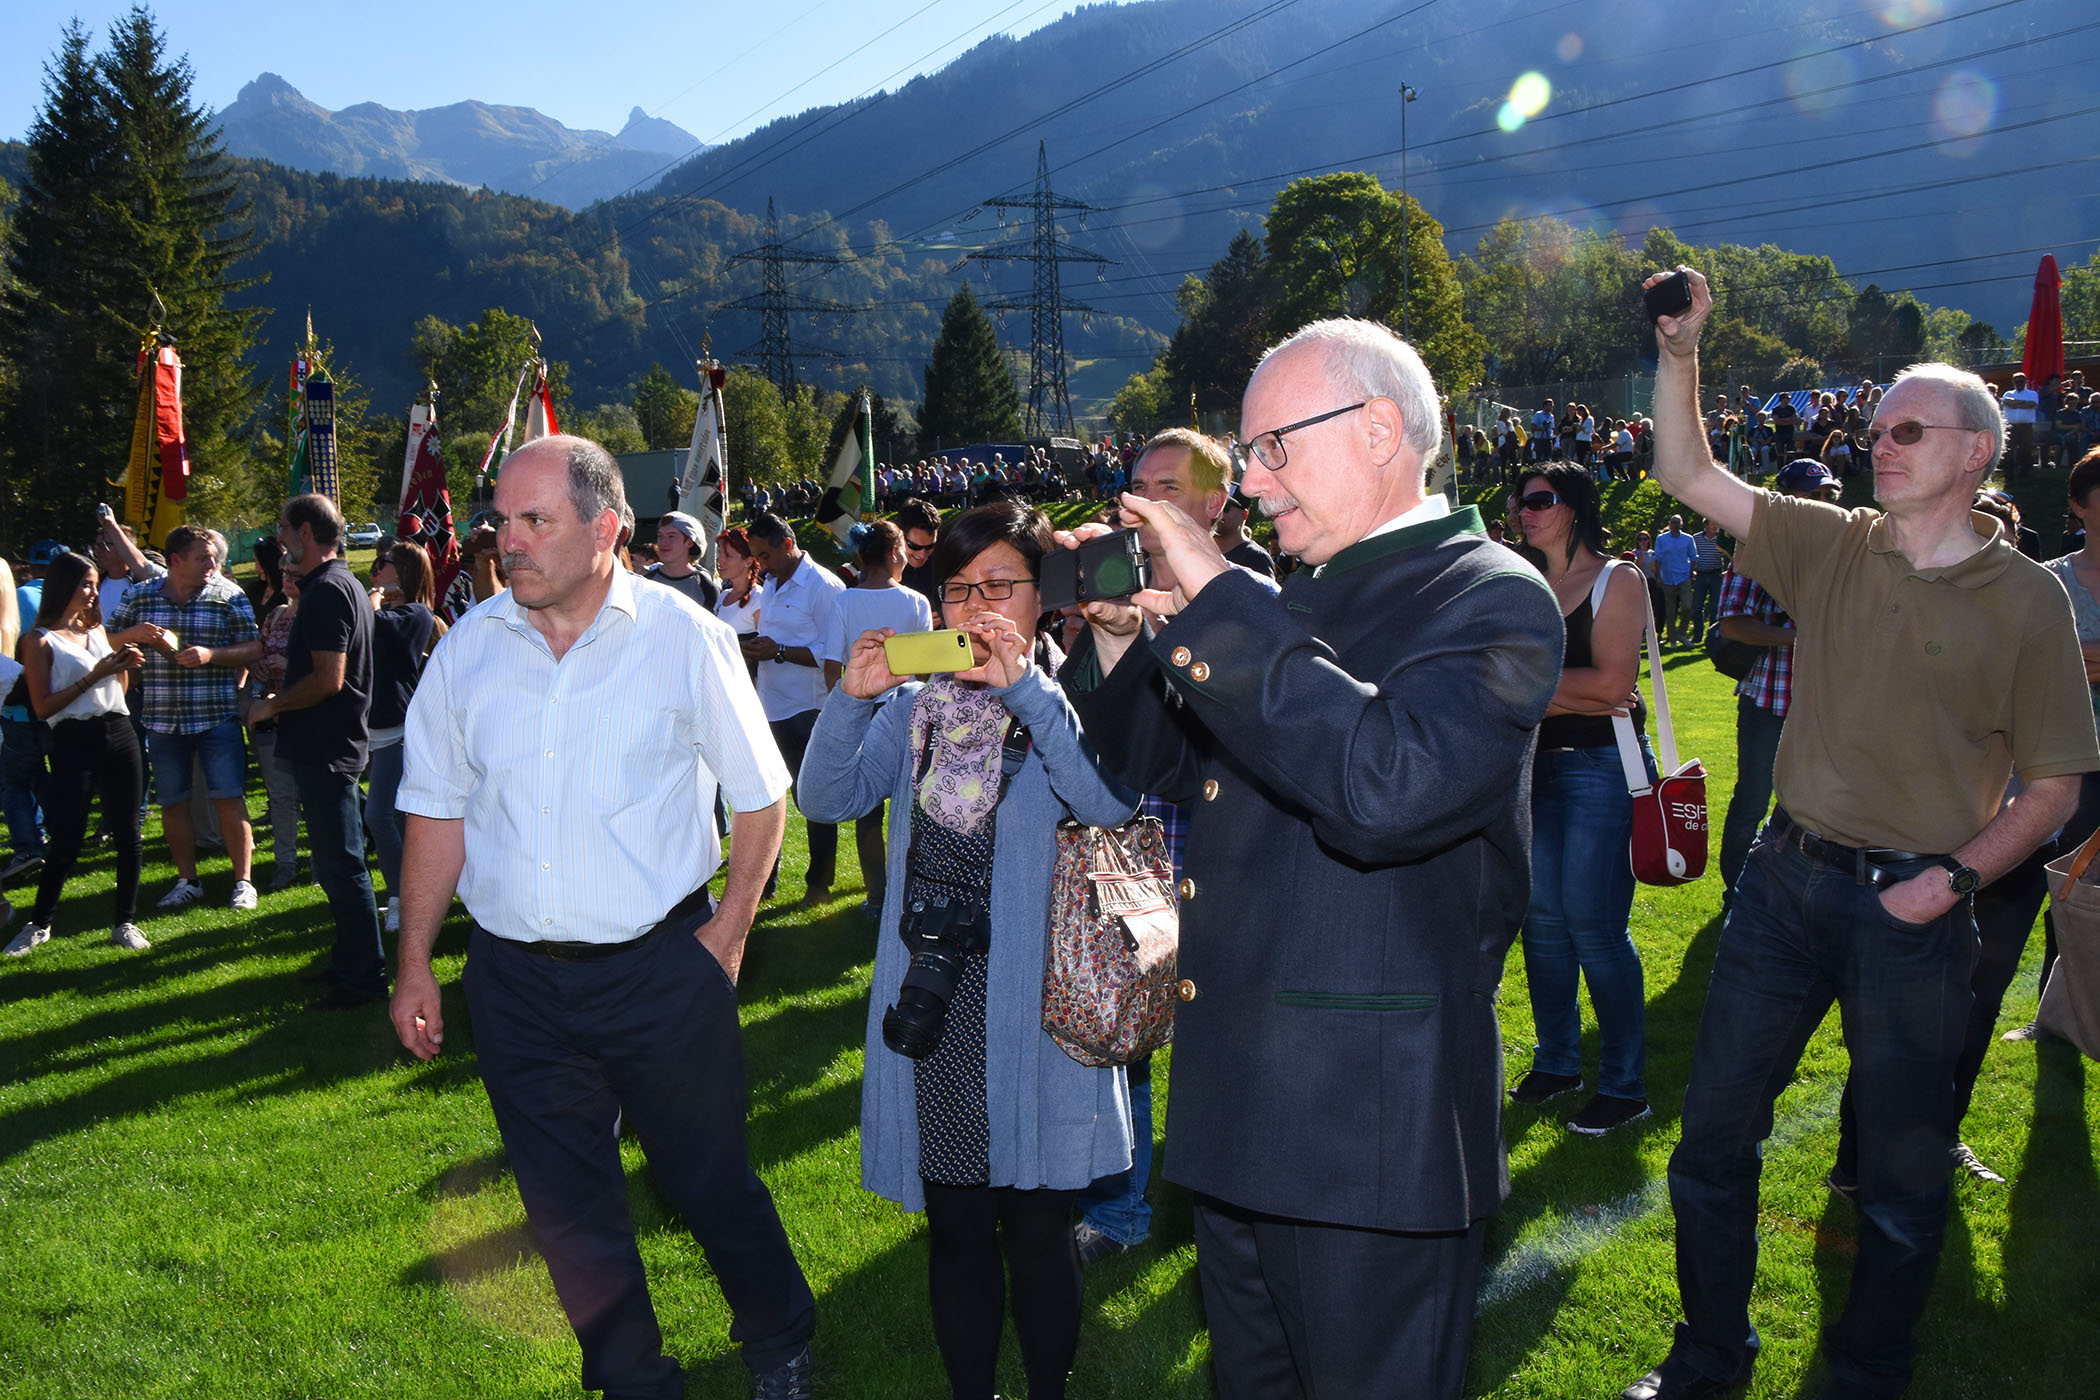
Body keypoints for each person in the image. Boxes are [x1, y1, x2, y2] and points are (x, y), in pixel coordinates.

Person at [1621, 268, 2099, 1400]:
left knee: (1897, 1177)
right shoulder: (1830, 540)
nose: (1881, 443)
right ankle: (1707, 1354)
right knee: (1711, 1141)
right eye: (1878, 427)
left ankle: (1871, 1368)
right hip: (1782, 884)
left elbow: (2053, 788)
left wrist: (1951, 883)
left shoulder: (2030, 601)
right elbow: (1685, 471)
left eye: (1909, 430)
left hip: (1916, 910)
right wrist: (1683, 354)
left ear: (1976, 453)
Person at [1067, 319, 1563, 1397]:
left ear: (1380, 430)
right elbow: (1158, 762)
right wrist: (1120, 634)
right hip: (1243, 1111)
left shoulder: (1489, 592)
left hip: (1364, 1135)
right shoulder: (1298, 594)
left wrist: (1223, 605)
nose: (1249, 482)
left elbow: (1387, 789)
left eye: (1272, 448)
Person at [390, 435, 816, 1400]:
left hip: (661, 971)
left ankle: (780, 1336)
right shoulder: (467, 649)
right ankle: (631, 1380)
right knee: (566, 1209)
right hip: (514, 983)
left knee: (707, 1180)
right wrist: (415, 961)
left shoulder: (683, 637)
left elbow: (762, 797)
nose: (508, 541)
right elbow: (436, 813)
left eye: (535, 520)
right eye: (502, 520)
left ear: (605, 530)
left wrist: (727, 937)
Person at [798, 500, 1136, 1400]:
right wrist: (850, 699)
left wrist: (1028, 693)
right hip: (936, 1007)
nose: (978, 608)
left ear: (1042, 595)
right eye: (957, 589)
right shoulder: (914, 707)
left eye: (999, 585)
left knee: (1038, 1232)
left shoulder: (1072, 696)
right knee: (955, 1233)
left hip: (1037, 1011)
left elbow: (1107, 804)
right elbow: (825, 800)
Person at [1507, 464, 1655, 1133]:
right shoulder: (1522, 581)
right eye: (1521, 501)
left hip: (1604, 765)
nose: (1525, 511)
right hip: (1534, 766)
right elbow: (1499, 677)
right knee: (1540, 923)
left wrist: (1528, 689)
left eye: (1540, 500)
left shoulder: (1617, 579)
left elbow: (1612, 687)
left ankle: (1625, 1086)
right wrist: (1571, 691)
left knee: (1594, 925)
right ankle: (1558, 1063)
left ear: (1574, 507)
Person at [247, 495, 382, 1009]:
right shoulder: (340, 582)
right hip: (330, 742)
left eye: (284, 528)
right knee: (335, 863)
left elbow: (329, 679)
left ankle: (365, 978)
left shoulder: (326, 590)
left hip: (328, 746)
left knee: (343, 866)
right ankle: (349, 961)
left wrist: (273, 705)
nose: (279, 538)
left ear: (305, 531)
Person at [107, 524, 261, 911]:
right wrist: (134, 636)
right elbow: (104, 640)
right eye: (202, 558)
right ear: (175, 561)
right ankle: (187, 880)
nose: (213, 564)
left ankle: (243, 882)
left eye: (213, 557)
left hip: (216, 716)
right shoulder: (140, 595)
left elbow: (254, 648)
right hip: (163, 719)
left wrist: (212, 655)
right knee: (172, 802)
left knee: (229, 798)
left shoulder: (228, 594)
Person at [3, 551, 147, 956]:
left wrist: (123, 666)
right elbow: (43, 706)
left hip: (119, 730)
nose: (92, 593)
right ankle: (39, 923)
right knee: (67, 837)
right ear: (63, 586)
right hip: (73, 739)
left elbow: (119, 690)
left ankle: (125, 922)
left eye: (95, 585)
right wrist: (96, 674)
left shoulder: (96, 630)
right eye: (86, 584)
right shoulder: (39, 640)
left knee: (129, 834)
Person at [1712, 460, 1832, 906]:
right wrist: (1802, 635)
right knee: (1753, 800)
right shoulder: (1757, 553)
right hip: (1769, 701)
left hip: (1824, 705)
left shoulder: (1842, 553)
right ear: (1786, 499)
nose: (1822, 503)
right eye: (1812, 494)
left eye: (1827, 495)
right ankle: (1737, 892)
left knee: (1817, 807)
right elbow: (1731, 624)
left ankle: (1797, 896)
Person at [819, 520, 932, 914]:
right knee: (914, 805)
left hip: (864, 713)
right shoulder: (916, 602)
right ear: (895, 553)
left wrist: (847, 710)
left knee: (867, 812)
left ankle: (878, 895)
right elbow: (926, 671)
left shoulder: (844, 601)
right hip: (909, 712)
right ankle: (912, 890)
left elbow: (832, 667)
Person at [743, 514, 845, 907]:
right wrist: (756, 648)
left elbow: (833, 654)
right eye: (756, 557)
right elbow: (776, 638)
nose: (761, 565)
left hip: (807, 708)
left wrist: (780, 651)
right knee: (769, 796)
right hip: (769, 706)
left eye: (765, 556)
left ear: (787, 544)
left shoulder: (824, 586)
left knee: (813, 800)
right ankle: (766, 881)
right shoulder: (771, 581)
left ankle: (819, 884)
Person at [365, 539, 443, 935]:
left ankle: (401, 898)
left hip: (399, 730)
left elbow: (373, 624)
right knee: (394, 819)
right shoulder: (392, 610)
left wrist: (373, 599)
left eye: (385, 562)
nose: (377, 568)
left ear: (406, 570)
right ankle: (408, 895)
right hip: (374, 729)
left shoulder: (416, 614)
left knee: (378, 816)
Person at [646, 510, 721, 611]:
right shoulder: (646, 582)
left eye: (671, 536)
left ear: (689, 542)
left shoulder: (706, 589)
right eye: (660, 536)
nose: (663, 542)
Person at [1651, 514, 1699, 646]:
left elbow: (1693, 557)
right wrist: (1658, 576)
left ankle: (1681, 633)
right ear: (1669, 524)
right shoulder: (1661, 539)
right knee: (1670, 610)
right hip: (1667, 578)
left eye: (1678, 523)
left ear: (1681, 524)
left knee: (1687, 606)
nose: (1675, 525)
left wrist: (1691, 572)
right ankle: (1672, 639)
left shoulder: (1688, 539)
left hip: (1684, 576)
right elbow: (1657, 558)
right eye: (1673, 523)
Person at [1213, 484, 1276, 578]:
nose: (1218, 512)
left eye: (1226, 508)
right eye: (1215, 505)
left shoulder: (1257, 558)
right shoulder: (1202, 549)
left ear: (1244, 514)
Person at [1690, 516, 1732, 638]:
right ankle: (1697, 635)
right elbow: (1691, 555)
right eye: (1712, 524)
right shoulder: (1696, 538)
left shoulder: (1722, 539)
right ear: (1706, 525)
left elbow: (1730, 555)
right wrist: (1692, 571)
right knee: (1697, 606)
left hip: (1716, 575)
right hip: (1701, 574)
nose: (1715, 527)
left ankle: (1713, 635)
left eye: (1716, 524)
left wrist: (1727, 572)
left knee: (1715, 606)